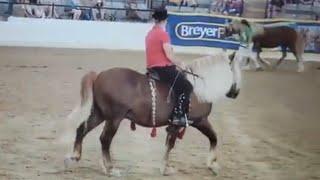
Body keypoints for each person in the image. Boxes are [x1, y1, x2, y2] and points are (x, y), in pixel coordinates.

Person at [145, 7, 193, 127]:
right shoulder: (163, 34)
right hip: (163, 68)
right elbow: (169, 55)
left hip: (152, 67)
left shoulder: (150, 33)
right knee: (187, 86)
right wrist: (180, 63)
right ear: (165, 20)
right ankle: (178, 116)